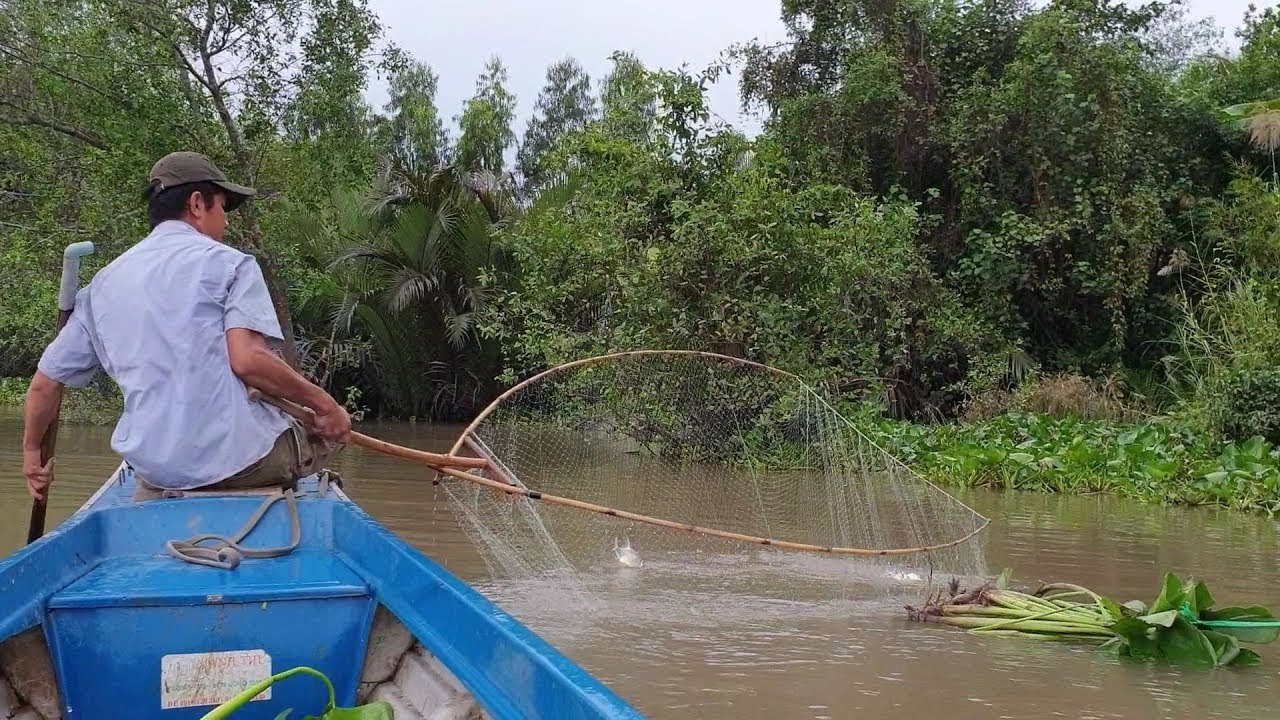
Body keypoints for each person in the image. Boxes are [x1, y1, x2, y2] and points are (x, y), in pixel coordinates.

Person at [22, 151, 351, 502]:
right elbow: (248, 360)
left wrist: (30, 453)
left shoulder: (102, 285)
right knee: (323, 429)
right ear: (197, 204)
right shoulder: (232, 264)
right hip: (242, 464)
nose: (225, 222)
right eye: (222, 208)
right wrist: (326, 406)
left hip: (155, 470)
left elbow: (44, 385)